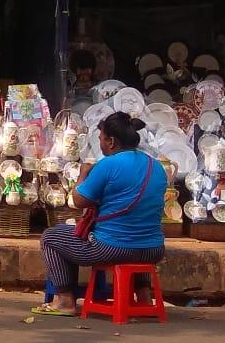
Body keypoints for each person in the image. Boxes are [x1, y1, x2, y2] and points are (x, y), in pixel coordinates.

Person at [33, 112, 166, 316]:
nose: (101, 144)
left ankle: (65, 300)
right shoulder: (155, 166)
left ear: (111, 141)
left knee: (50, 238)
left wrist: (83, 174)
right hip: (153, 250)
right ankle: (144, 297)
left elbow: (79, 201)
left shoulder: (108, 164)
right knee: (135, 238)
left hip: (111, 248)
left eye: (101, 139)